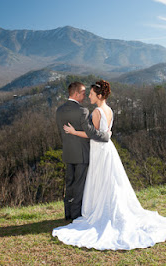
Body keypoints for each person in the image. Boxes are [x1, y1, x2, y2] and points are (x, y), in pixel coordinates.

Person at [52, 80, 166, 250]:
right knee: (109, 180)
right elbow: (105, 132)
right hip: (107, 150)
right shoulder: (109, 110)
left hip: (99, 149)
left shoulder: (97, 112)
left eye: (91, 94)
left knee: (100, 180)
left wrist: (74, 131)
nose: (88, 96)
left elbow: (94, 135)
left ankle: (93, 210)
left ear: (99, 95)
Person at [55, 82, 110, 221]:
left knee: (69, 184)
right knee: (79, 185)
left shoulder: (59, 110)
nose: (86, 96)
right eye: (84, 93)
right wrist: (106, 136)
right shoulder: (82, 111)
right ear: (76, 94)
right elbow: (91, 132)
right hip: (82, 153)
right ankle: (75, 215)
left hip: (68, 152)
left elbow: (61, 133)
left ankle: (67, 213)